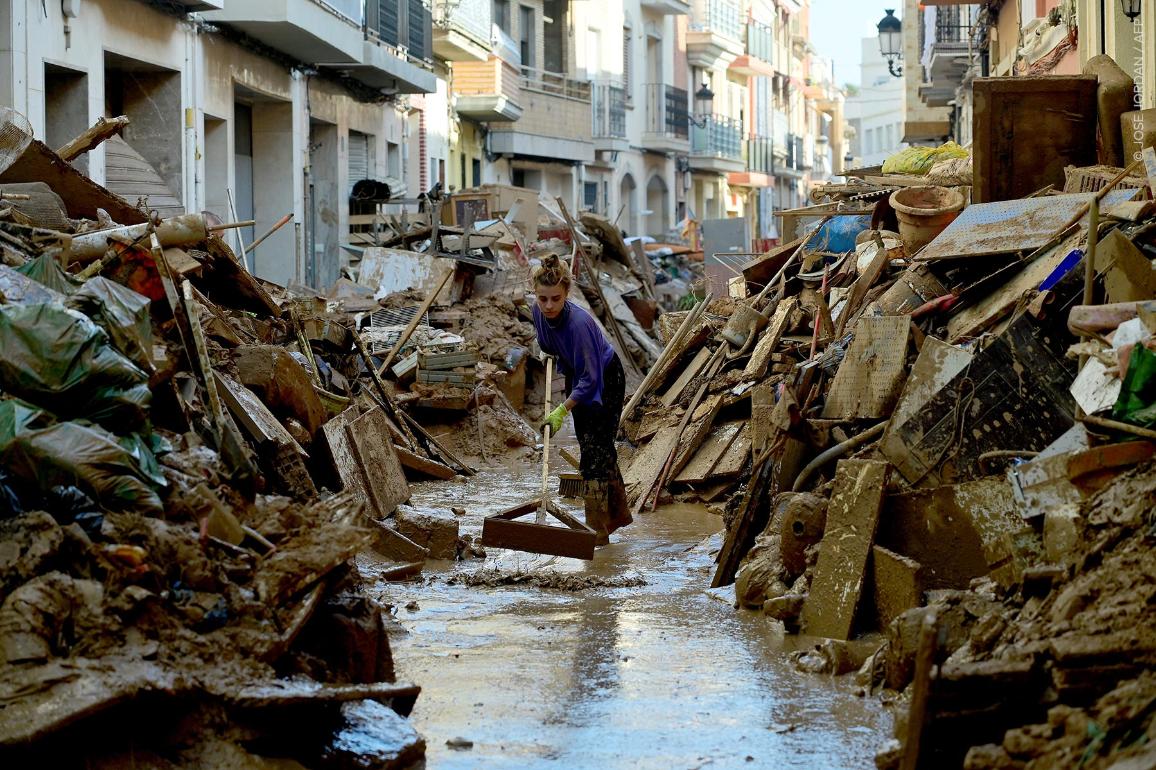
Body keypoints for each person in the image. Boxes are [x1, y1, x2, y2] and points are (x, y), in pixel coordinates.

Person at [531, 255, 632, 545]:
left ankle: (597, 531)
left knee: (595, 453)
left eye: (556, 299)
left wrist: (562, 410)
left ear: (567, 294)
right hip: (580, 374)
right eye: (543, 298)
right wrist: (547, 350)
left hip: (605, 378)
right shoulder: (538, 312)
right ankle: (615, 517)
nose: (549, 305)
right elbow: (546, 340)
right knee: (593, 448)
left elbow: (591, 380)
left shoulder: (579, 324)